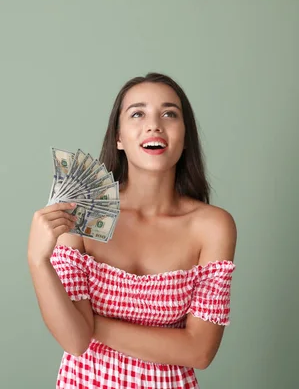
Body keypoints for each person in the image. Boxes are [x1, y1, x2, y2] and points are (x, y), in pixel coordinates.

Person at [27, 72, 237, 388]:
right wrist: (37, 260)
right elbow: (73, 342)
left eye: (169, 114)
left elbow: (200, 351)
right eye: (137, 113)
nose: (154, 125)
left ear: (184, 135)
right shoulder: (81, 211)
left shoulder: (213, 226)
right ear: (119, 137)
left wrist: (88, 325)